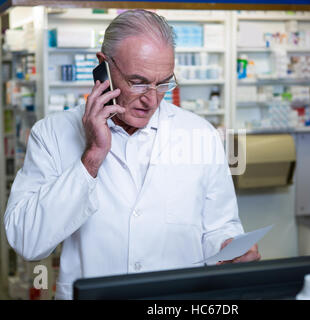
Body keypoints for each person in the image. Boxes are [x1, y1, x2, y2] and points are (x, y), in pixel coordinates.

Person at [3, 9, 260, 300]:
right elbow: (27, 241)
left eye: (163, 83)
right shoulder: (51, 134)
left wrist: (230, 246)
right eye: (138, 81)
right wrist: (91, 158)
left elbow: (219, 225)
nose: (151, 99)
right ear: (103, 67)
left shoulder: (201, 134)